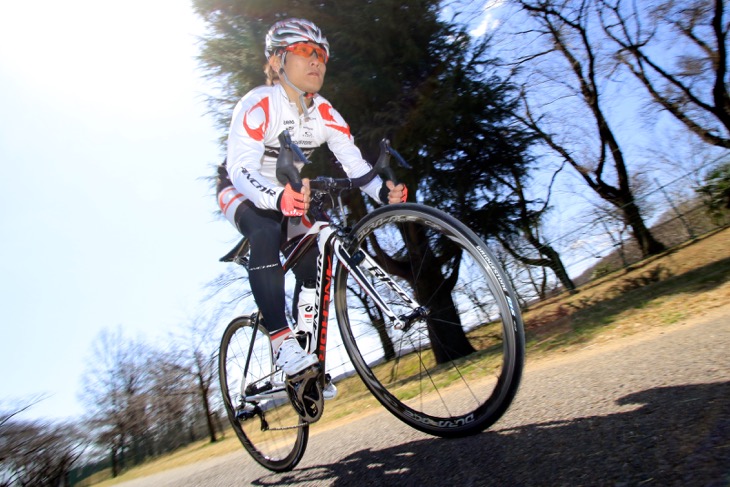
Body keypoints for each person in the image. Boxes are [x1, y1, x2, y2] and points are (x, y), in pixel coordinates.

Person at [216, 18, 406, 386]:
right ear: (276, 62)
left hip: (290, 191)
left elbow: (356, 166)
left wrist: (384, 192)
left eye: (321, 54)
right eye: (304, 51)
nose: (316, 60)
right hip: (241, 188)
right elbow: (240, 168)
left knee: (317, 251)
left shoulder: (324, 113)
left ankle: (306, 353)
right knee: (266, 228)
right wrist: (275, 198)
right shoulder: (258, 104)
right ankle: (281, 341)